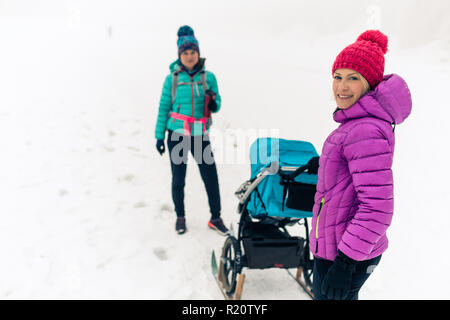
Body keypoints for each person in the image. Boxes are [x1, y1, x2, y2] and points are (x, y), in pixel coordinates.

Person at [308, 30, 412, 300]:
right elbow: (357, 178)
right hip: (338, 246)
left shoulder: (364, 129)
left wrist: (345, 263)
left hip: (345, 254)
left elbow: (378, 207)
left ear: (370, 83)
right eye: (338, 77)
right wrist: (326, 167)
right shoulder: (358, 123)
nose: (341, 87)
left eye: (353, 78)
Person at [154, 25, 229, 236]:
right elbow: (163, 108)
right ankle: (180, 216)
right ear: (180, 55)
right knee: (179, 179)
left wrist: (213, 102)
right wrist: (159, 136)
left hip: (199, 136)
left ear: (198, 53)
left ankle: (216, 217)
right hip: (176, 135)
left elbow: (217, 103)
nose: (189, 56)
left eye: (193, 52)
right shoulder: (172, 79)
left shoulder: (208, 77)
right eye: (185, 53)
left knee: (210, 177)